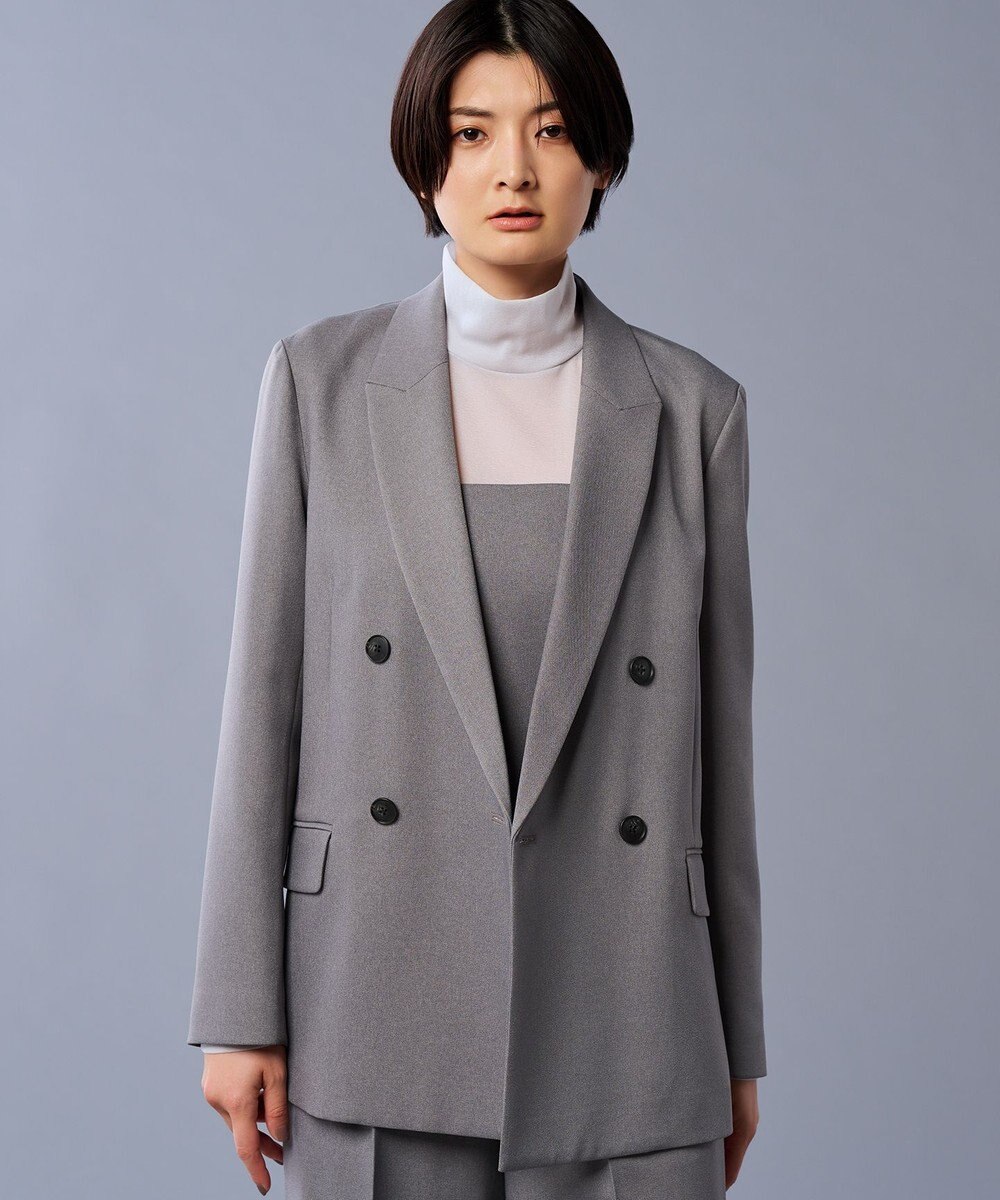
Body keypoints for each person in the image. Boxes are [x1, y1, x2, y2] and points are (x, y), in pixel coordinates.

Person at [188, 1, 766, 1196]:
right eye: (471, 132)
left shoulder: (693, 411)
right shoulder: (319, 384)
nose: (513, 169)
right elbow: (262, 707)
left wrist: (736, 1038)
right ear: (424, 160)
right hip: (370, 993)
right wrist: (237, 1010)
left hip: (631, 1008)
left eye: (551, 130)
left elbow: (722, 754)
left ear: (601, 158)